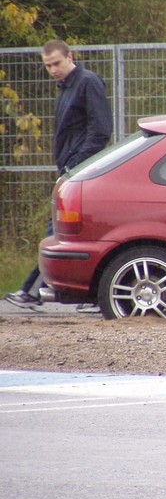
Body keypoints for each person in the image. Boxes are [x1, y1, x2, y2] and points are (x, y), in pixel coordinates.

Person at [5, 40, 113, 309]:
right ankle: (89, 295)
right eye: (48, 65)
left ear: (70, 57)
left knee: (57, 234)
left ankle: (31, 291)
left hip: (79, 172)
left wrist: (74, 165)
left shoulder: (87, 82)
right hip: (71, 171)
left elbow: (100, 130)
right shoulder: (66, 87)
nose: (53, 69)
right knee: (72, 236)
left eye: (57, 63)